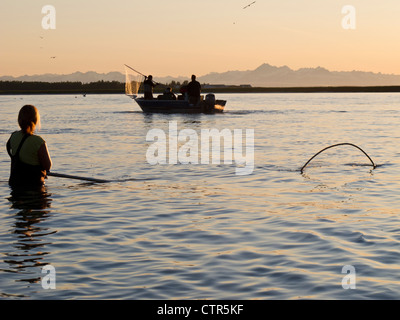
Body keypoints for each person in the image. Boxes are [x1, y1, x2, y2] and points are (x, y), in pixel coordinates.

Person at [6, 105, 52, 189]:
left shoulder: (13, 136)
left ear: (19, 120)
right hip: (34, 186)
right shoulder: (38, 141)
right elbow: (47, 166)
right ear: (35, 121)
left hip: (15, 184)